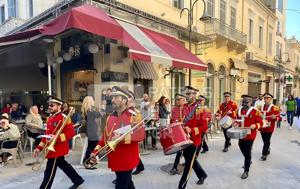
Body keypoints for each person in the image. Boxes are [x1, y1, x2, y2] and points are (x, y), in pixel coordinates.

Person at [91, 86, 144, 189]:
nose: (113, 100)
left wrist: (122, 138)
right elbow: (105, 136)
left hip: (127, 159)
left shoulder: (134, 115)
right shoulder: (110, 117)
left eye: (116, 97)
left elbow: (140, 135)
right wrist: (95, 152)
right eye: (112, 97)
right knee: (128, 184)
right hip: (115, 158)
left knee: (121, 185)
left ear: (124, 100)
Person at [33, 96, 84, 189]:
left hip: (58, 149)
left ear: (59, 106)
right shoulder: (49, 118)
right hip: (52, 148)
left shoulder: (64, 118)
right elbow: (47, 136)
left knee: (49, 171)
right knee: (64, 165)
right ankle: (78, 180)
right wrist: (38, 148)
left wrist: (57, 138)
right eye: (49, 105)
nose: (50, 107)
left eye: (52, 105)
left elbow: (71, 132)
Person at [178, 86, 208, 189]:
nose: (187, 95)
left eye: (189, 94)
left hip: (194, 141)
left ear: (195, 95)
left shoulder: (200, 109)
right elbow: (181, 120)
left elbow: (204, 126)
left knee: (188, 165)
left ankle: (181, 186)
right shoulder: (184, 107)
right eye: (186, 94)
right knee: (191, 161)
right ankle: (202, 174)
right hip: (184, 139)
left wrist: (192, 130)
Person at [233, 95, 263, 179]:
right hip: (241, 133)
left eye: (246, 102)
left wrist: (255, 125)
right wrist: (235, 123)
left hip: (250, 134)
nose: (244, 104)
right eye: (243, 102)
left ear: (250, 103)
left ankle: (246, 171)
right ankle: (248, 159)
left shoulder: (255, 111)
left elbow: (260, 123)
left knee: (247, 151)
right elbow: (237, 120)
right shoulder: (239, 110)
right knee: (241, 147)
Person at [81, 96, 104, 169]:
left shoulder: (87, 111)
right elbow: (100, 115)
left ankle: (87, 160)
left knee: (90, 147)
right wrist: (103, 107)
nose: (94, 101)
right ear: (89, 101)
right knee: (92, 147)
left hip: (90, 132)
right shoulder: (90, 111)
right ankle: (88, 162)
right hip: (92, 132)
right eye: (93, 100)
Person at [169, 93, 187, 175]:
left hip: (187, 132)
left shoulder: (188, 108)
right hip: (178, 132)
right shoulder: (174, 109)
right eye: (176, 100)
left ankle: (188, 164)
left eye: (179, 99)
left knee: (188, 151)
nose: (177, 101)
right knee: (179, 150)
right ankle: (175, 167)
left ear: (183, 100)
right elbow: (172, 120)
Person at [259, 93, 280, 161]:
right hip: (262, 127)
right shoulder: (260, 107)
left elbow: (279, 118)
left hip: (269, 127)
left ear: (271, 99)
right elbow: (256, 116)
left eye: (267, 98)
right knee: (265, 140)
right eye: (265, 98)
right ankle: (267, 148)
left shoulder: (275, 108)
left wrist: (275, 117)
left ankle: (264, 154)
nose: (266, 99)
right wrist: (259, 116)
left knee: (266, 141)